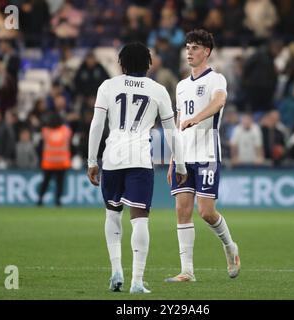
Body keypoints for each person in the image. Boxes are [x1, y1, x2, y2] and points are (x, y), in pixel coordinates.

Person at [87, 42, 187, 294]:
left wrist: (91, 160)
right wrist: (181, 163)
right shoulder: (158, 90)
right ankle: (137, 281)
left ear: (121, 64)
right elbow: (170, 131)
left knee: (112, 214)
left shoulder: (108, 86)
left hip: (112, 158)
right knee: (140, 218)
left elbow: (97, 125)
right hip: (140, 159)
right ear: (148, 64)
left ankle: (116, 271)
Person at [166, 29, 241, 283]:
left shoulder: (216, 79)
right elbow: (178, 122)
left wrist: (197, 119)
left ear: (206, 52)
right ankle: (187, 270)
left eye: (195, 47)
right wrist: (173, 158)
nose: (189, 51)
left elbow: (219, 102)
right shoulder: (181, 86)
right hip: (184, 156)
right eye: (187, 47)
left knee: (206, 212)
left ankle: (230, 247)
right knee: (181, 210)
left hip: (207, 152)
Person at [37, 112, 72, 207]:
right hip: (61, 163)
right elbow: (71, 146)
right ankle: (58, 201)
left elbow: (39, 147)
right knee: (59, 184)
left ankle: (40, 199)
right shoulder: (66, 131)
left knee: (45, 183)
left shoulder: (45, 131)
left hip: (49, 163)